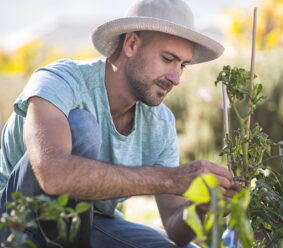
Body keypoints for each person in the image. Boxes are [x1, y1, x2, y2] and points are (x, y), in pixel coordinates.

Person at [0, 0, 240, 247]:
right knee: (82, 126)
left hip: (95, 223)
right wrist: (171, 178)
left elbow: (175, 229)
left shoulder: (159, 122)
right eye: (168, 59)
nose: (176, 77)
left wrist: (202, 206)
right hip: (16, 219)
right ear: (131, 44)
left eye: (182, 65)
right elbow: (52, 175)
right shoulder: (60, 81)